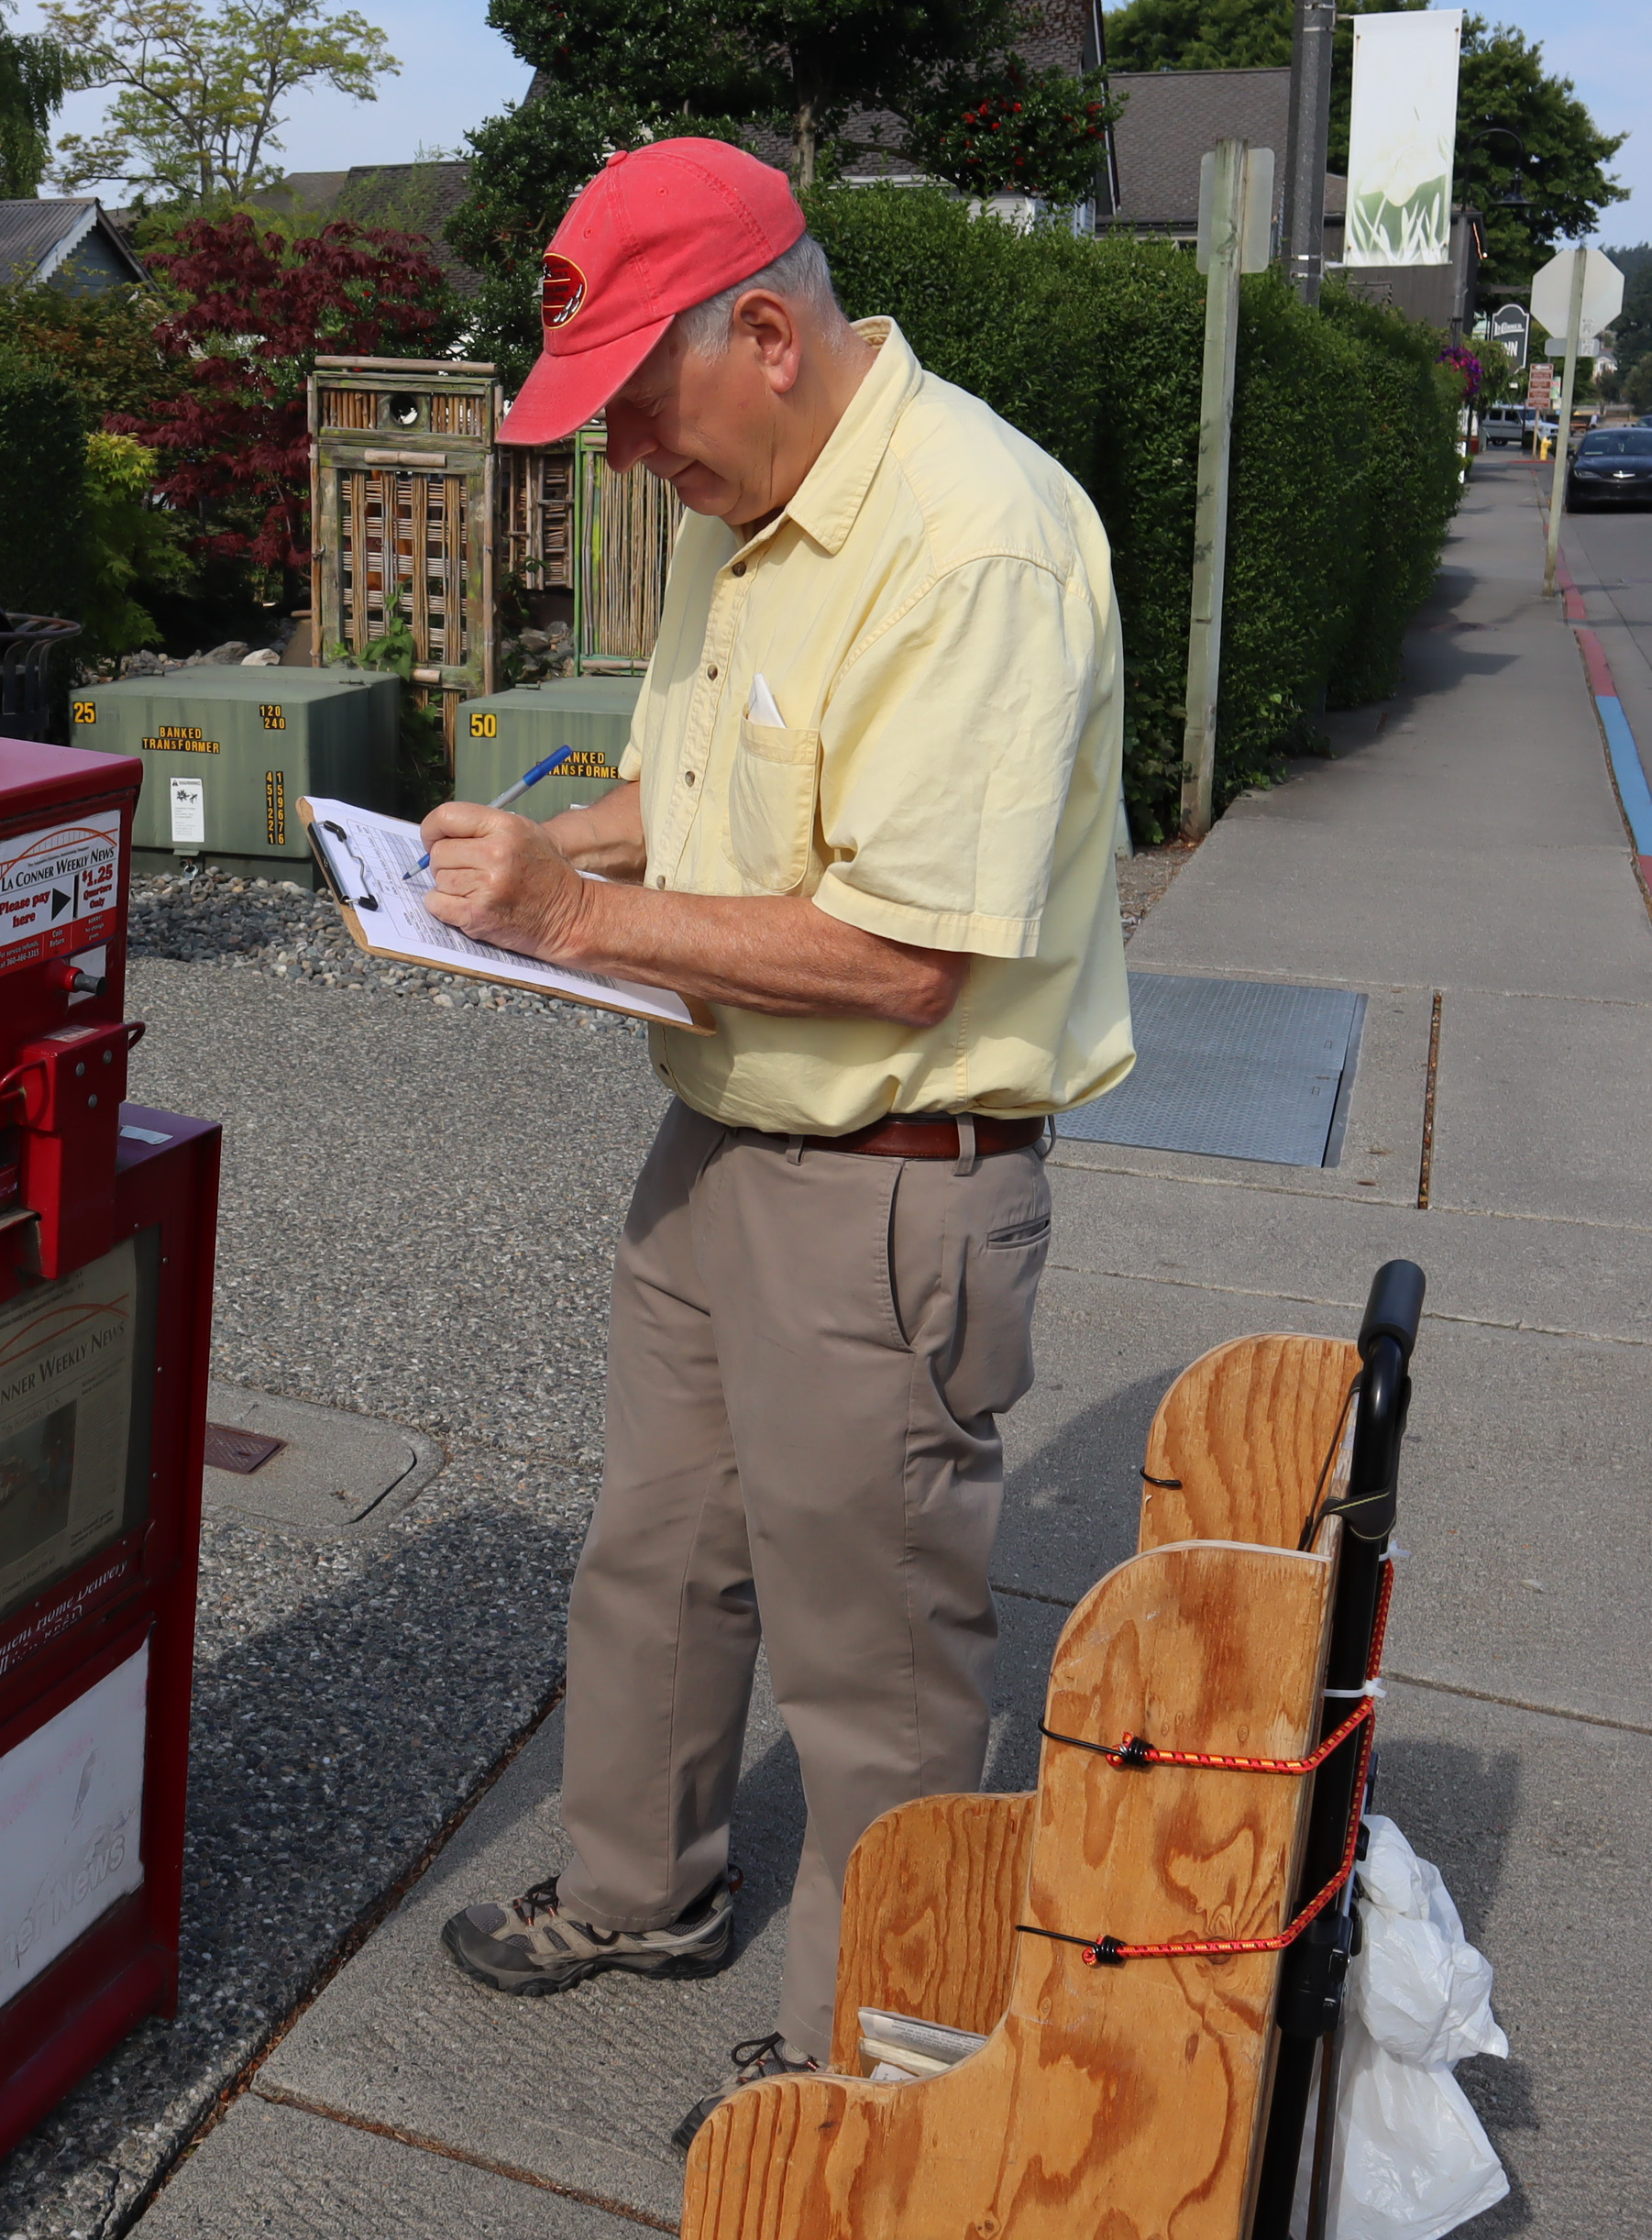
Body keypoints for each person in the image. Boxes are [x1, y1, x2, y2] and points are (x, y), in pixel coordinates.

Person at [424, 138, 1134, 2145]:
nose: (636, 459)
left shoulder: (969, 536)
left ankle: (888, 2038)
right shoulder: (750, 501)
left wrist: (568, 924)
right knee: (652, 1551)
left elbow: (905, 960)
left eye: (641, 409)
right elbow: (696, 795)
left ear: (764, 331)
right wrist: (543, 849)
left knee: (870, 1642)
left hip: (892, 1174)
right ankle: (642, 1888)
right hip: (724, 1131)